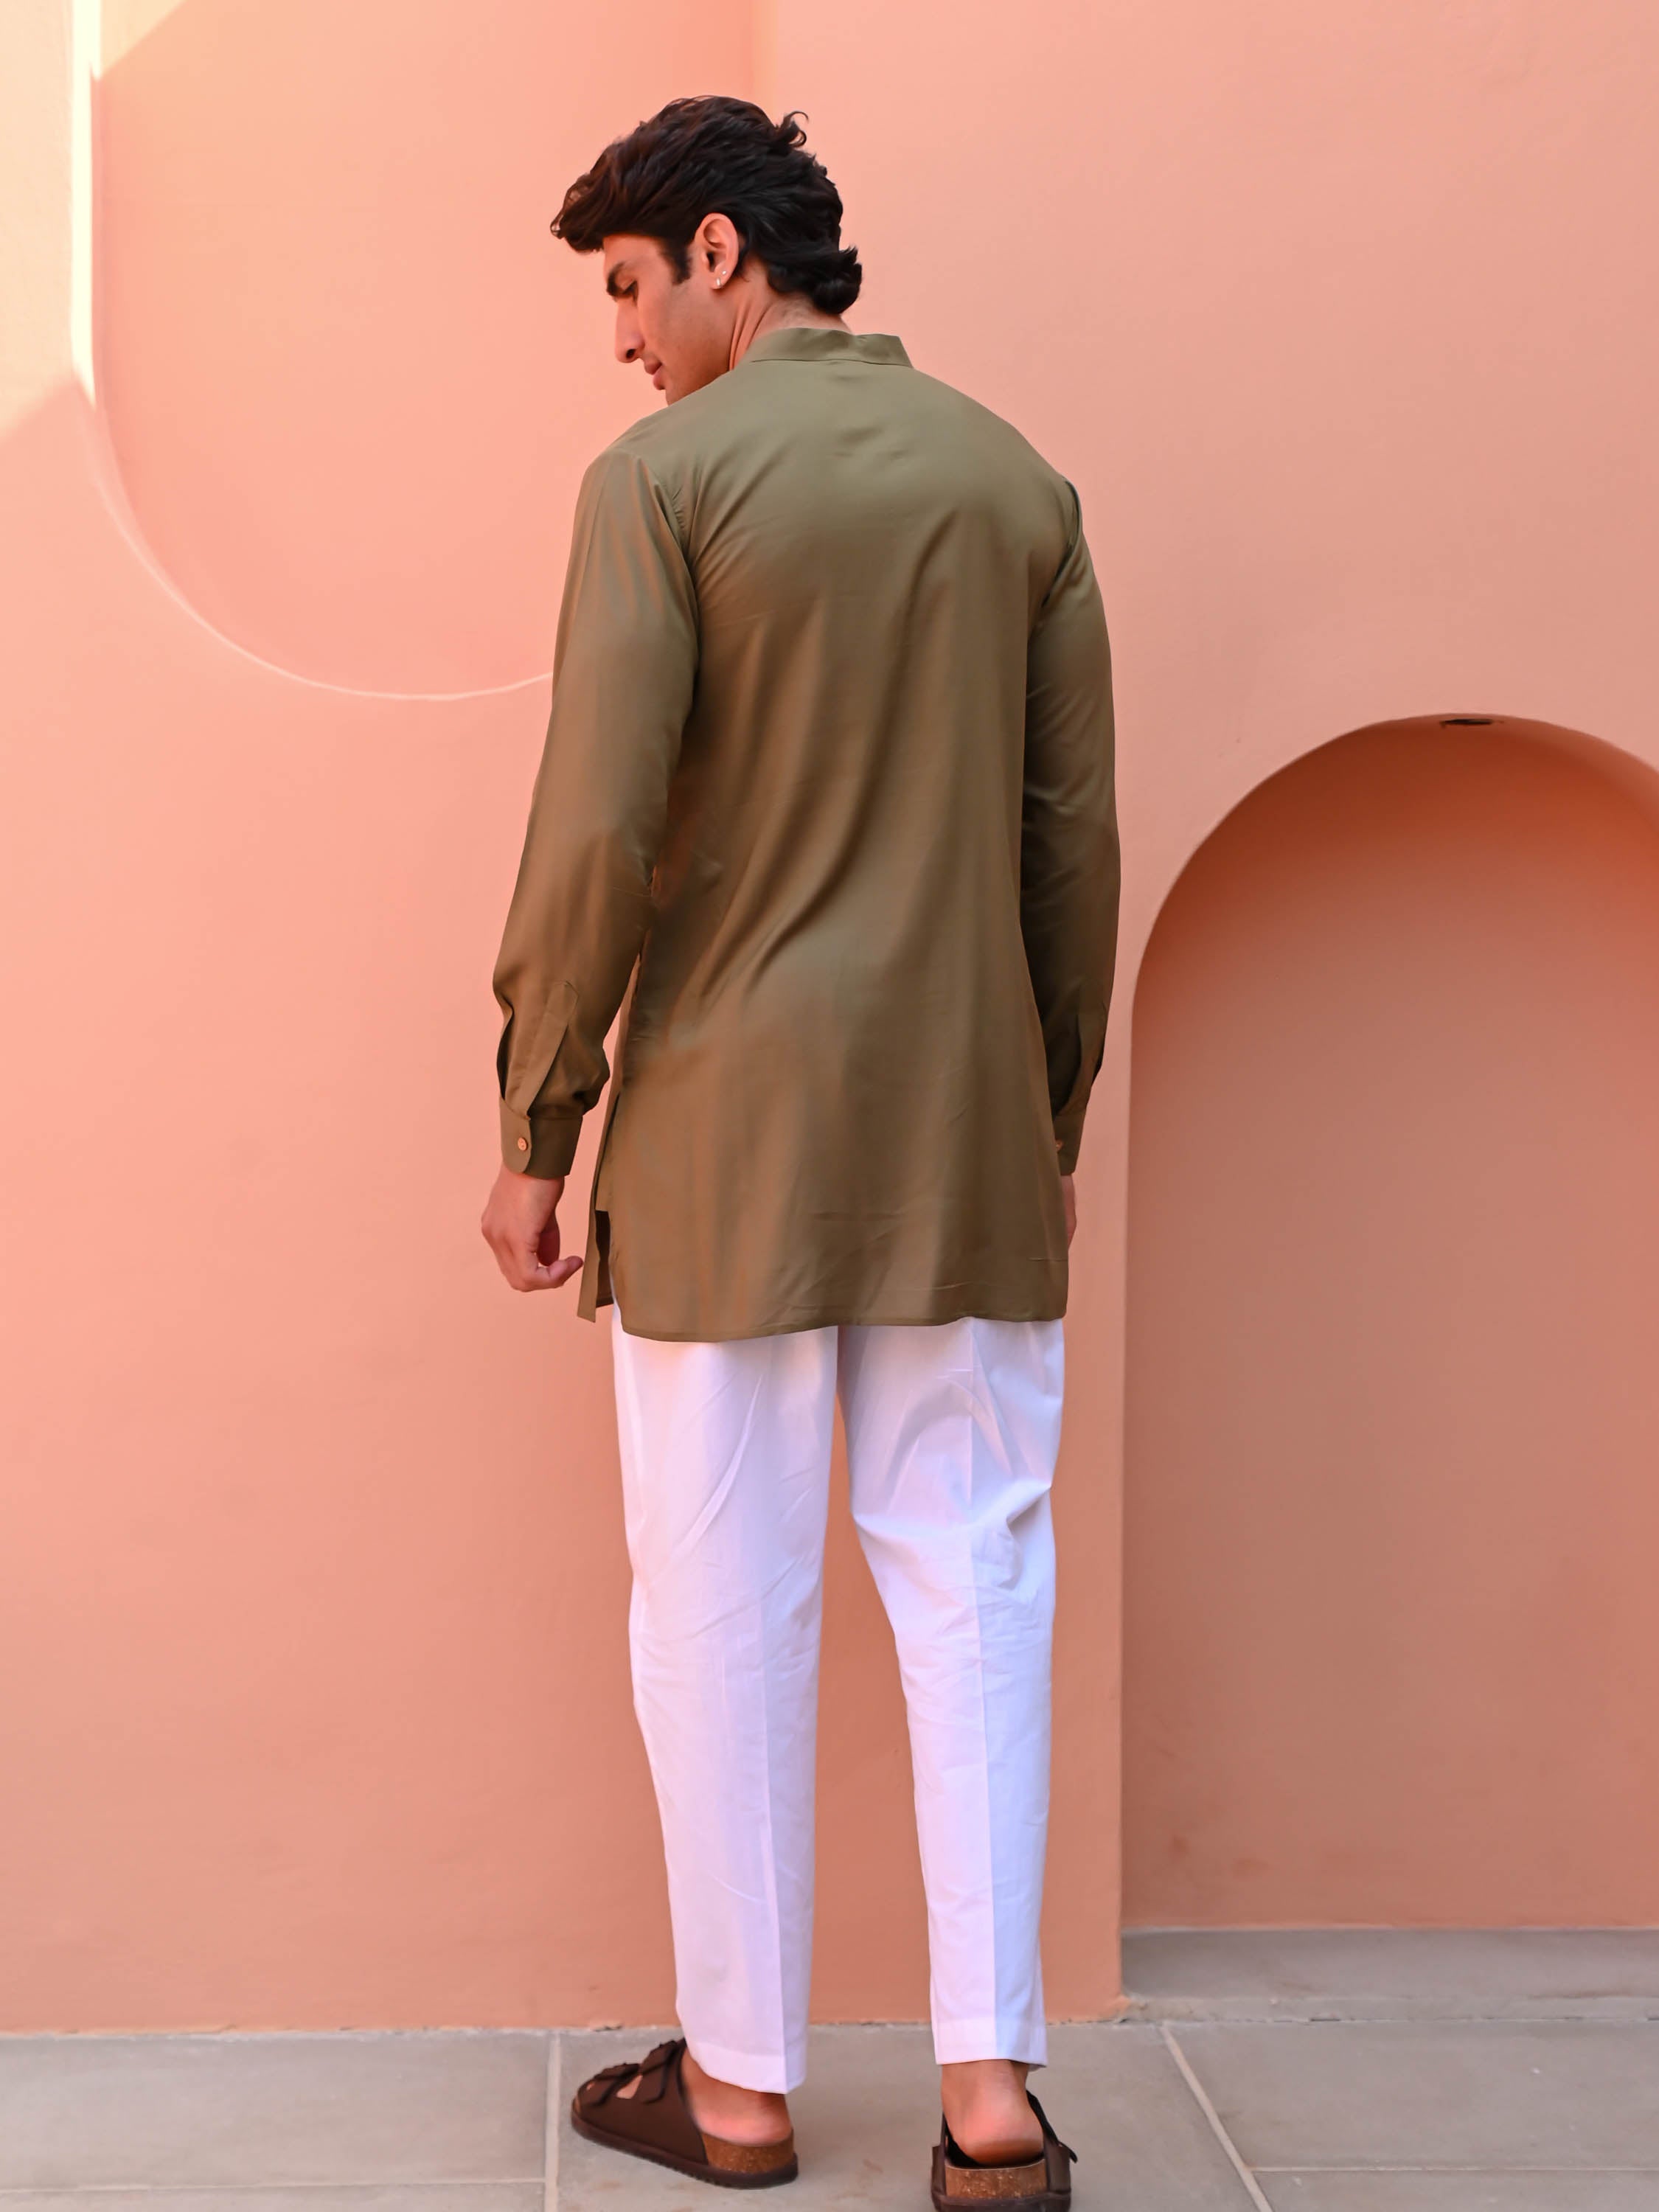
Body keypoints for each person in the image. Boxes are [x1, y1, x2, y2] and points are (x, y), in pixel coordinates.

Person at [481, 95, 1117, 2209]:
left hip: (724, 1135)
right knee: (979, 1586)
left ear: (721, 252)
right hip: (960, 1133)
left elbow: (596, 823)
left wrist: (539, 1118)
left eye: (627, 287)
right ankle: (991, 2102)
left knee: (720, 1604)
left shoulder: (661, 483)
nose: (622, 339)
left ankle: (741, 2090)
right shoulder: (1014, 483)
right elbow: (1069, 849)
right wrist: (1042, 1115)